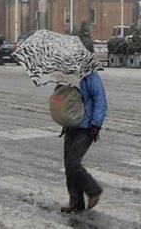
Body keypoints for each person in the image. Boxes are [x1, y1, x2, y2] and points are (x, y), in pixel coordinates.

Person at [60, 71, 107, 213]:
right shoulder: (66, 75)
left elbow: (100, 99)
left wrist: (96, 123)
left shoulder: (90, 76)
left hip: (87, 127)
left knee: (73, 162)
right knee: (69, 164)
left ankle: (94, 191)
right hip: (71, 124)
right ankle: (76, 202)